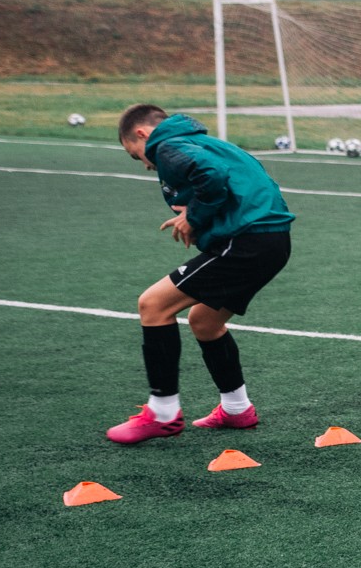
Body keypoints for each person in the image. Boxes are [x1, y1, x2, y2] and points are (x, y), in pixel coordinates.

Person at [109, 106, 295, 444]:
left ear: (141, 134)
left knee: (153, 305)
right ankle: (237, 409)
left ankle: (162, 414)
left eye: (135, 156)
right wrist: (207, 222)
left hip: (249, 242)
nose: (146, 163)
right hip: (270, 240)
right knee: (205, 321)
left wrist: (195, 216)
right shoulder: (198, 141)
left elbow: (212, 176)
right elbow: (242, 183)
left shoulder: (166, 146)